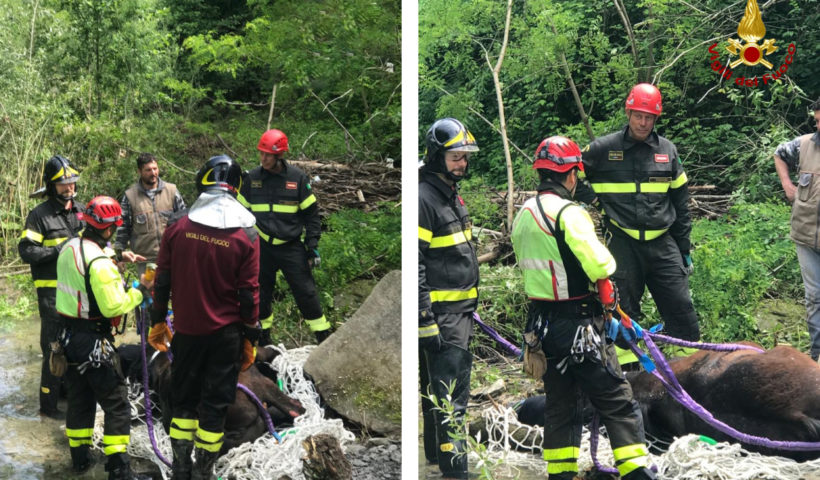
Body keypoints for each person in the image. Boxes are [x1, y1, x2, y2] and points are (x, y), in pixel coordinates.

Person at [511, 135, 656, 480]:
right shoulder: (569, 213)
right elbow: (601, 267)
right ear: (572, 174)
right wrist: (611, 304)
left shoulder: (524, 215)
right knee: (616, 401)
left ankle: (560, 474)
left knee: (560, 406)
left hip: (544, 328)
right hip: (580, 326)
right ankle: (637, 472)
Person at [148, 155, 260, 480]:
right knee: (214, 406)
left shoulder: (178, 227)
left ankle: (180, 467)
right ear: (237, 188)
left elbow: (163, 279)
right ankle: (204, 471)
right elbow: (249, 294)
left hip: (186, 333)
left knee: (183, 402)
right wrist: (251, 338)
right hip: (226, 338)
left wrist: (157, 320)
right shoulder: (247, 236)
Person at [575, 83, 699, 349]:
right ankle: (629, 378)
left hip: (662, 242)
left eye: (649, 117)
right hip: (622, 241)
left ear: (656, 118)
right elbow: (569, 172)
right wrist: (593, 200)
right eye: (638, 116)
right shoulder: (603, 148)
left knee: (682, 309)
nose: (643, 123)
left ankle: (684, 371)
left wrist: (684, 247)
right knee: (623, 313)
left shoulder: (667, 151)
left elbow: (681, 203)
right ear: (628, 113)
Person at [55, 196, 152, 479]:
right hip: (93, 341)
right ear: (108, 229)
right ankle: (119, 471)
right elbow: (113, 306)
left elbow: (89, 264)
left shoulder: (69, 247)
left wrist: (118, 257)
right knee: (117, 403)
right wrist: (140, 291)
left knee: (80, 399)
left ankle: (80, 460)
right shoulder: (100, 264)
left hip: (67, 337)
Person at [418, 117, 480, 479]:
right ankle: (456, 472)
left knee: (434, 395)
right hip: (443, 315)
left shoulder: (447, 193)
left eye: (465, 157)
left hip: (457, 310)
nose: (462, 164)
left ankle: (434, 462)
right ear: (436, 155)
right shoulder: (425, 199)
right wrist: (424, 318)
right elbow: (416, 262)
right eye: (456, 157)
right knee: (451, 398)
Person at [237, 129, 329, 345]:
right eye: (261, 153)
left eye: (267, 154)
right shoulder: (251, 178)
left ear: (280, 155)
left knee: (306, 292)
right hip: (261, 247)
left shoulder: (297, 179)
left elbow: (312, 215)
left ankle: (323, 338)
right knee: (260, 295)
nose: (263, 158)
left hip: (291, 247)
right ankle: (263, 339)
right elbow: (239, 214)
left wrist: (312, 244)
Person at [18, 155, 84, 419]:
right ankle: (48, 407)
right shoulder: (39, 215)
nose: (69, 187)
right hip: (52, 295)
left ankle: (67, 393)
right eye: (62, 183)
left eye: (72, 182)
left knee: (77, 344)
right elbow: (26, 251)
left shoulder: (79, 210)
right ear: (50, 185)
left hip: (79, 293)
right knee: (53, 348)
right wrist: (58, 251)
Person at [774, 97, 820, 362]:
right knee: (814, 298)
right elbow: (779, 154)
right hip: (805, 236)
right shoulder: (804, 145)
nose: (819, 127)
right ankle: (816, 356)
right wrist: (787, 185)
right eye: (817, 121)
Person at [114, 152, 186, 273]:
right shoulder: (130, 196)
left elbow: (185, 222)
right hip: (145, 261)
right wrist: (119, 256)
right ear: (139, 171)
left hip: (172, 257)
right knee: (147, 292)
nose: (153, 173)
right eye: (148, 170)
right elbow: (122, 228)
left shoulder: (172, 191)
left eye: (155, 168)